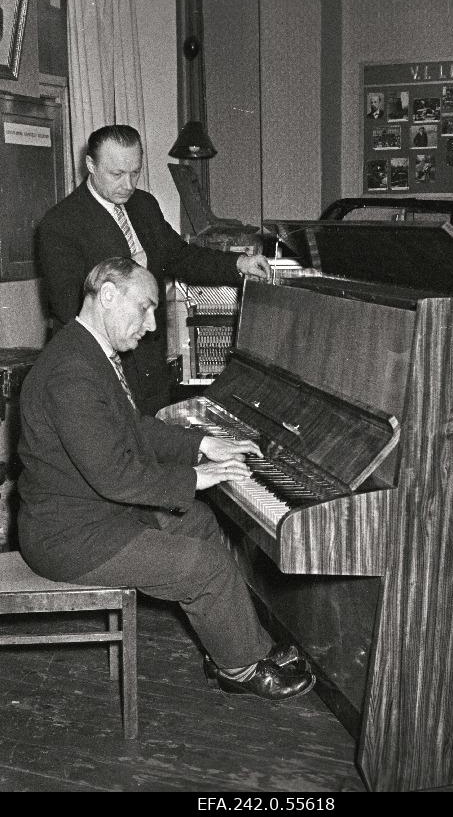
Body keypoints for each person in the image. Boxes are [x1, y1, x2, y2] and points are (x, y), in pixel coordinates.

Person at [17, 256, 315, 702]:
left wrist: (202, 445)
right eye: (146, 308)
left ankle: (238, 644)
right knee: (205, 567)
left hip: (95, 517)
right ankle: (239, 668)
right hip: (71, 538)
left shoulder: (85, 350)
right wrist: (196, 476)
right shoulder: (71, 372)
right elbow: (116, 477)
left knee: (198, 523)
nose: (153, 324)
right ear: (109, 296)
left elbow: (133, 427)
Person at [38, 124, 271, 417]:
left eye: (134, 172)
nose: (128, 184)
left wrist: (237, 264)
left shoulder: (144, 205)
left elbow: (179, 256)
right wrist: (130, 274)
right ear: (90, 165)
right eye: (116, 174)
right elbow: (68, 306)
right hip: (104, 367)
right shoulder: (60, 224)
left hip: (150, 358)